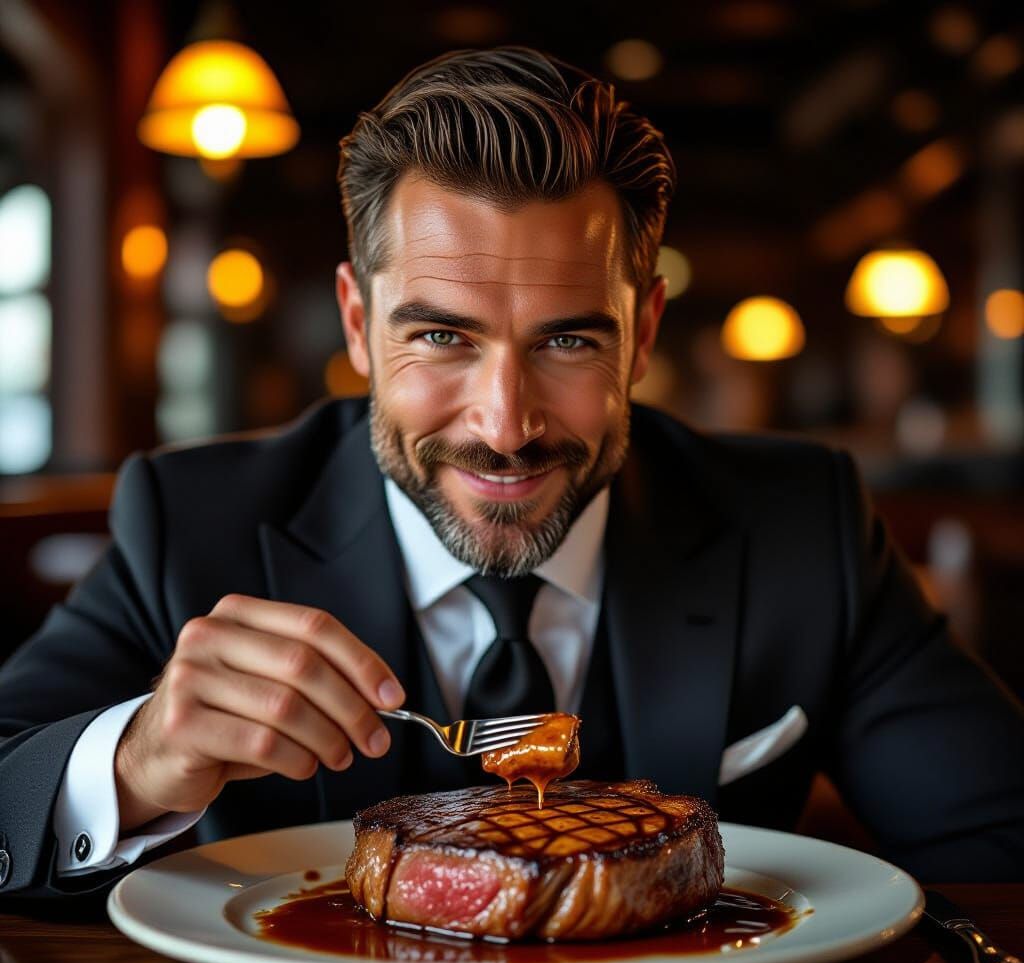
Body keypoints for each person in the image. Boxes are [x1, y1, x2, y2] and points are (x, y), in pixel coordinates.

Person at [1, 46, 1021, 906]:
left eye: (569, 342)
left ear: (643, 330)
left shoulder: (803, 524)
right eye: (441, 336)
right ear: (359, 324)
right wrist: (134, 764)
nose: (505, 425)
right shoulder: (193, 521)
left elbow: (1000, 844)